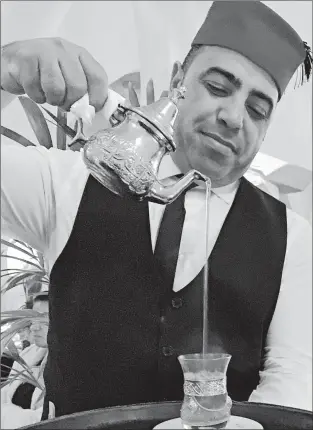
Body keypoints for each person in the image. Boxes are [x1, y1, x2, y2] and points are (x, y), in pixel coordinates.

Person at [1, 0, 312, 420]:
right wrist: (3, 74)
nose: (234, 117)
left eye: (258, 109)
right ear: (176, 82)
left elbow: (293, 376)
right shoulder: (69, 182)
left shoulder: (293, 236)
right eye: (218, 87)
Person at [1, 292, 53, 428]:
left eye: (43, 318)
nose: (34, 327)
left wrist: (6, 413)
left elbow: (46, 420)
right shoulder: (28, 353)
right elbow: (4, 393)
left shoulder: (69, 365)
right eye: (33, 318)